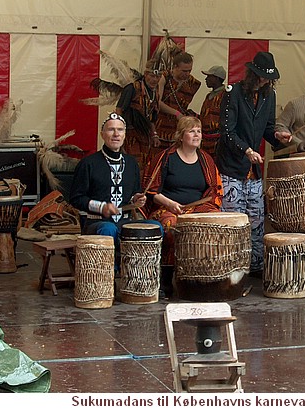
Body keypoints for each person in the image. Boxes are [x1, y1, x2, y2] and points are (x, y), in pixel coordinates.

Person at [216, 51, 292, 277]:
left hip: (253, 167)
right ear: (251, 74)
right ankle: (233, 267)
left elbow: (268, 127)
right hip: (232, 164)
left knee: (257, 218)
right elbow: (227, 132)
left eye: (268, 78)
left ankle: (256, 266)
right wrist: (246, 150)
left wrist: (278, 135)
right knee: (235, 218)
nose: (264, 81)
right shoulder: (234, 93)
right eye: (260, 76)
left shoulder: (270, 95)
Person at [143, 116, 223, 297]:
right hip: (169, 208)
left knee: (214, 224)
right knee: (171, 227)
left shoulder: (206, 160)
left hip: (197, 208)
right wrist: (170, 203)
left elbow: (214, 191)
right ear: (181, 135)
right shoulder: (165, 158)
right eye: (191, 131)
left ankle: (203, 279)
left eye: (199, 131)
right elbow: (151, 192)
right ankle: (167, 280)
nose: (196, 135)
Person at [69, 113, 160, 270]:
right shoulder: (88, 163)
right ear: (102, 134)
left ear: (125, 134)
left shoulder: (131, 164)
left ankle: (143, 276)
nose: (116, 134)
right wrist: (101, 206)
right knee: (109, 228)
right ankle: (108, 274)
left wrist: (136, 199)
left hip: (124, 222)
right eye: (111, 130)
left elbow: (134, 194)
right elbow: (76, 198)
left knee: (155, 226)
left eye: (120, 130)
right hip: (96, 223)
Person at [115, 60, 162, 172]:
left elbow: (152, 118)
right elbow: (119, 110)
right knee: (133, 163)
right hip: (131, 134)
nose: (155, 79)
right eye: (152, 76)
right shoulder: (132, 88)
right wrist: (119, 133)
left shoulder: (155, 92)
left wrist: (154, 135)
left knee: (146, 165)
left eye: (158, 76)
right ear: (145, 74)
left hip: (145, 135)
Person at [157, 52, 201, 145]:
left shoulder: (193, 83)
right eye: (184, 71)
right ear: (175, 67)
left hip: (179, 127)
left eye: (189, 70)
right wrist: (177, 113)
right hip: (161, 125)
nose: (187, 74)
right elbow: (158, 102)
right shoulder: (164, 77)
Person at [198, 65, 227, 158]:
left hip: (217, 142)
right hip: (205, 141)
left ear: (217, 78)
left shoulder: (225, 96)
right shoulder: (209, 96)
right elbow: (205, 117)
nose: (206, 79)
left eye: (209, 77)